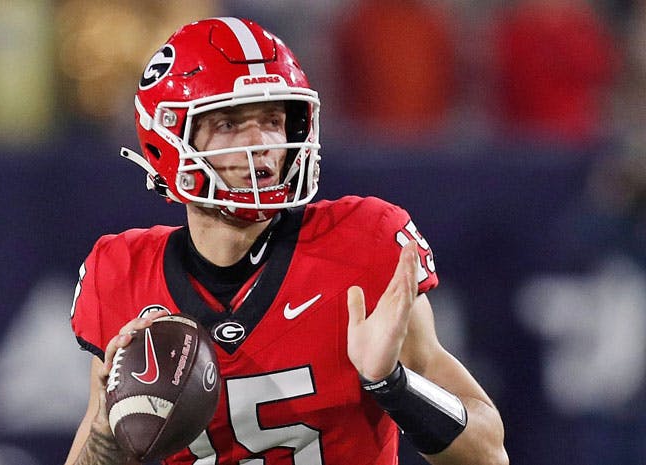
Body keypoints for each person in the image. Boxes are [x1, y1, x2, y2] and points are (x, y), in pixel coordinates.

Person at [65, 17, 508, 465]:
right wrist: (107, 432)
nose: (261, 142)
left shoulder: (361, 248)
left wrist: (392, 385)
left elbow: (489, 454)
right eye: (229, 124)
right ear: (167, 139)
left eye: (274, 120)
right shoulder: (122, 275)